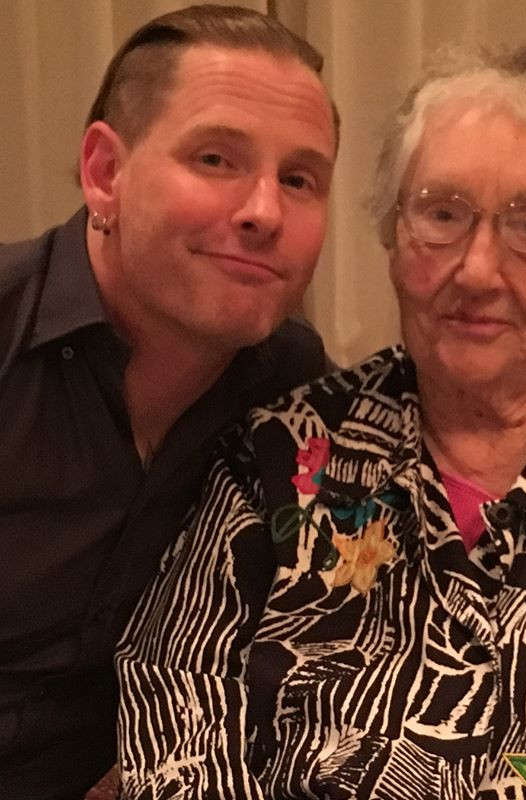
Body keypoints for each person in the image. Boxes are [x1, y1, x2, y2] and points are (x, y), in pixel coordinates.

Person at [117, 43, 526, 799]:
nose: (478, 269)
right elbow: (174, 710)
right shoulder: (279, 457)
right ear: (394, 241)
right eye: (442, 215)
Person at [0, 4, 338, 799]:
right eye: (216, 158)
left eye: (299, 179)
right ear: (104, 173)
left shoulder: (293, 388)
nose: (264, 212)